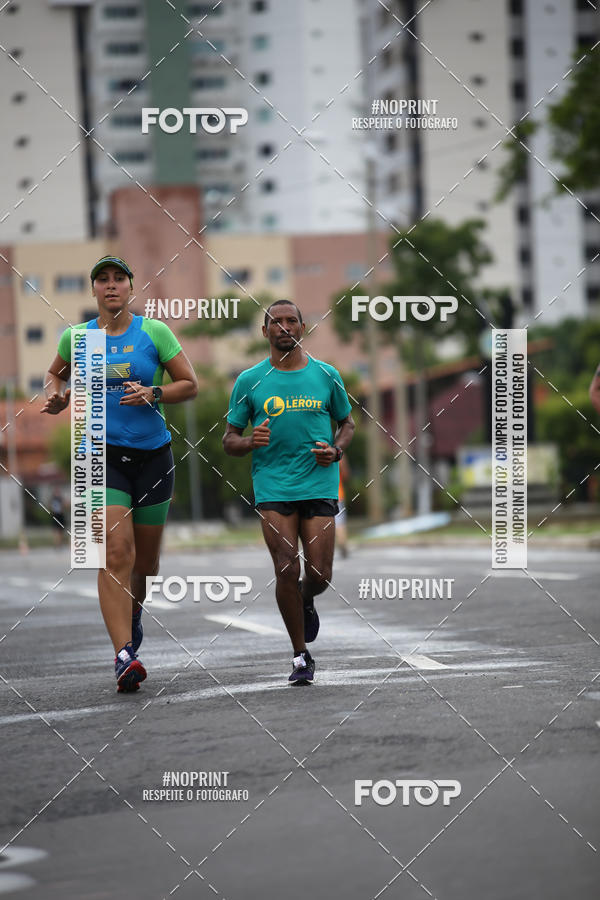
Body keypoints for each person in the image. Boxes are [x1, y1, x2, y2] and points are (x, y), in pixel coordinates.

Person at [41, 256, 198, 692]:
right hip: (98, 456)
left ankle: (131, 613)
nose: (111, 286)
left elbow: (191, 384)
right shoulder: (78, 337)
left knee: (145, 564)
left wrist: (155, 391)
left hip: (152, 455)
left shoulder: (154, 332)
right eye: (103, 280)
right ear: (93, 290)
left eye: (119, 279)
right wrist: (56, 397)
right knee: (115, 552)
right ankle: (124, 655)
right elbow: (54, 376)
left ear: (131, 287)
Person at [223, 300, 355, 685]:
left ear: (303, 327)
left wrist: (337, 449)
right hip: (273, 483)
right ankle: (300, 655)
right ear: (264, 332)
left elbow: (347, 423)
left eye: (291, 321)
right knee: (285, 564)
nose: (284, 327)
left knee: (319, 572)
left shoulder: (326, 375)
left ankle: (306, 596)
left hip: (318, 481)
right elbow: (229, 439)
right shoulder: (249, 381)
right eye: (275, 322)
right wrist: (248, 442)